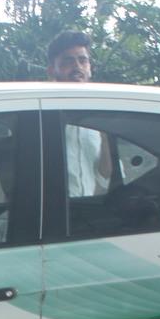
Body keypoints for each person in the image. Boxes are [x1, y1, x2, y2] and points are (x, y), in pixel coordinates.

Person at [47, 29, 111, 197]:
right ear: (52, 70)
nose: (77, 66)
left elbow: (105, 177)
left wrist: (105, 135)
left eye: (83, 60)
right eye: (68, 61)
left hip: (85, 209)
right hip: (48, 210)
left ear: (90, 68)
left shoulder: (99, 115)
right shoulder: (39, 114)